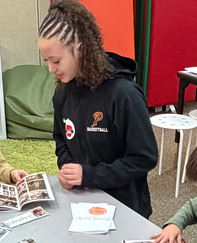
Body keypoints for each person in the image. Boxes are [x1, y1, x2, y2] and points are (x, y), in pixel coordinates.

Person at [39, 0, 158, 218]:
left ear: (80, 48)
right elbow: (61, 140)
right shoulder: (63, 93)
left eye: (55, 60)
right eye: (46, 60)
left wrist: (90, 175)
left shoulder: (123, 94)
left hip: (126, 207)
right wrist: (68, 168)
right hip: (84, 201)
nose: (50, 69)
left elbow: (144, 157)